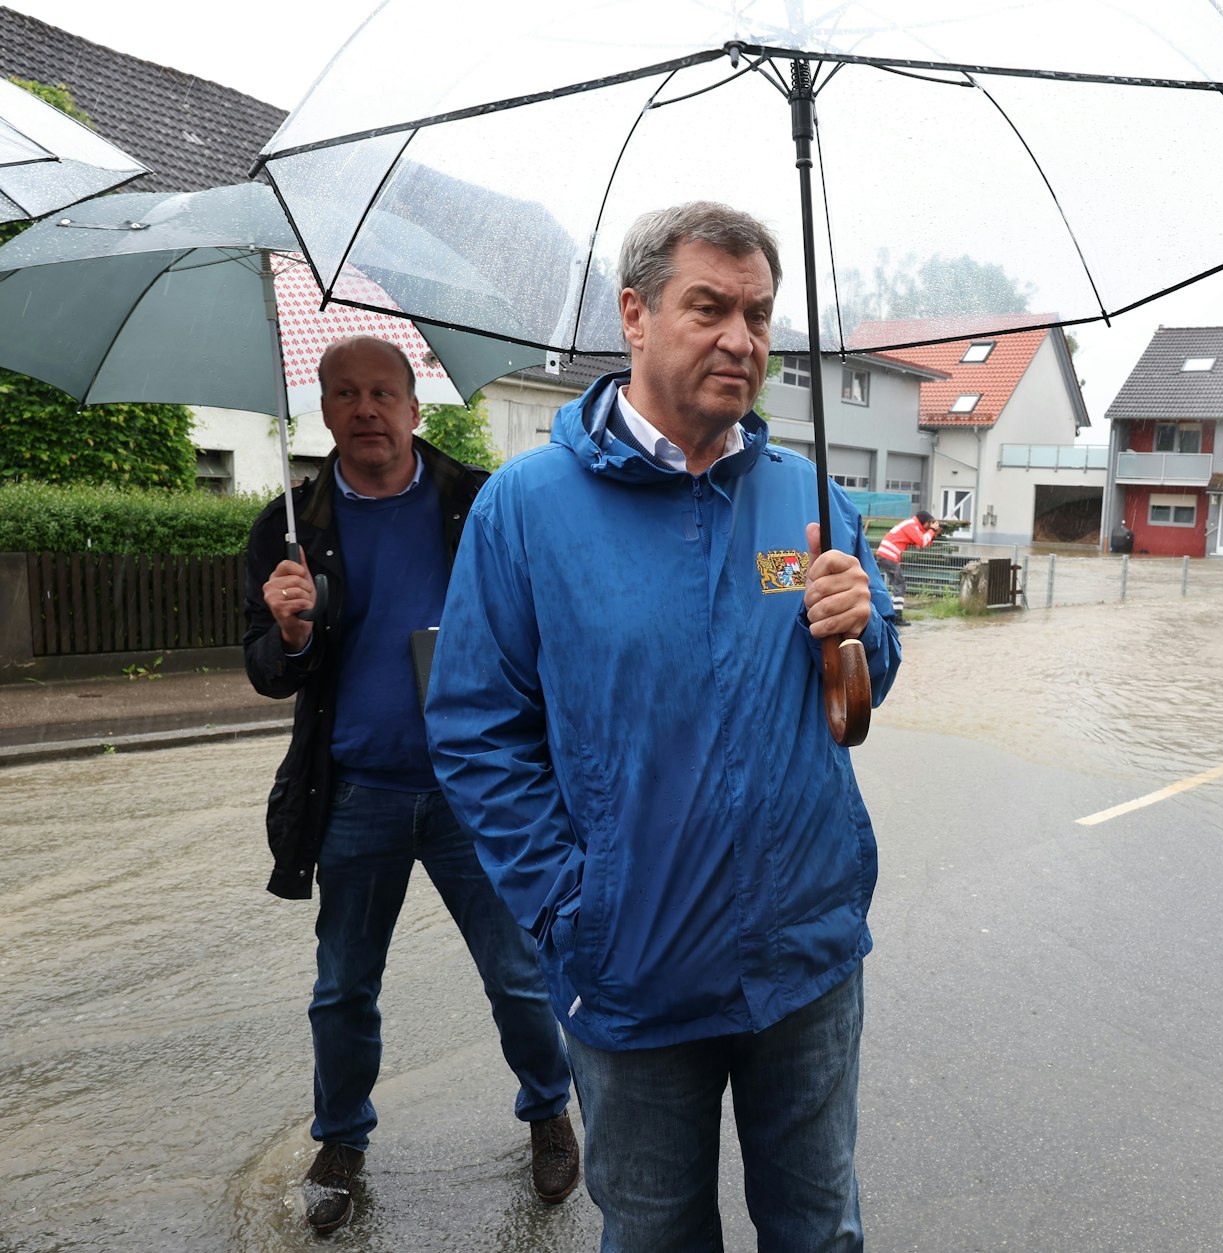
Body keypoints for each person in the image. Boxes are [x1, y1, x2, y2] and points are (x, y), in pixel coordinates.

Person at [424, 202, 901, 1252]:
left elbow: (866, 680)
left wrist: (858, 623)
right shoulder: (524, 508)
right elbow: (471, 731)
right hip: (630, 969)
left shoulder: (804, 495)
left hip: (806, 956)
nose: (742, 337)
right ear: (635, 315)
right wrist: (569, 908)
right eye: (710, 306)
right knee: (651, 1233)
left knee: (820, 1228)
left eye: (761, 314)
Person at [242, 335, 578, 1235]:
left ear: (413, 407)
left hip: (483, 790)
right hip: (357, 792)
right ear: (325, 410)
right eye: (346, 394)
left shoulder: (479, 502)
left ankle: (550, 1111)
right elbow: (269, 672)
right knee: (343, 987)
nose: (366, 410)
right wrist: (295, 631)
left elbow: (545, 626)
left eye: (382, 393)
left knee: (519, 973)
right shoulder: (288, 529)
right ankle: (342, 1141)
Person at [875, 509, 938, 616]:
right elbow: (922, 542)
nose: (929, 525)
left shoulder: (913, 525)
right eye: (929, 523)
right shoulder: (911, 525)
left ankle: (892, 613)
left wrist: (933, 534)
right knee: (900, 585)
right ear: (925, 521)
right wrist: (931, 530)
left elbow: (920, 545)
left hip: (886, 556)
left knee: (897, 585)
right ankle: (897, 615)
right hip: (888, 556)